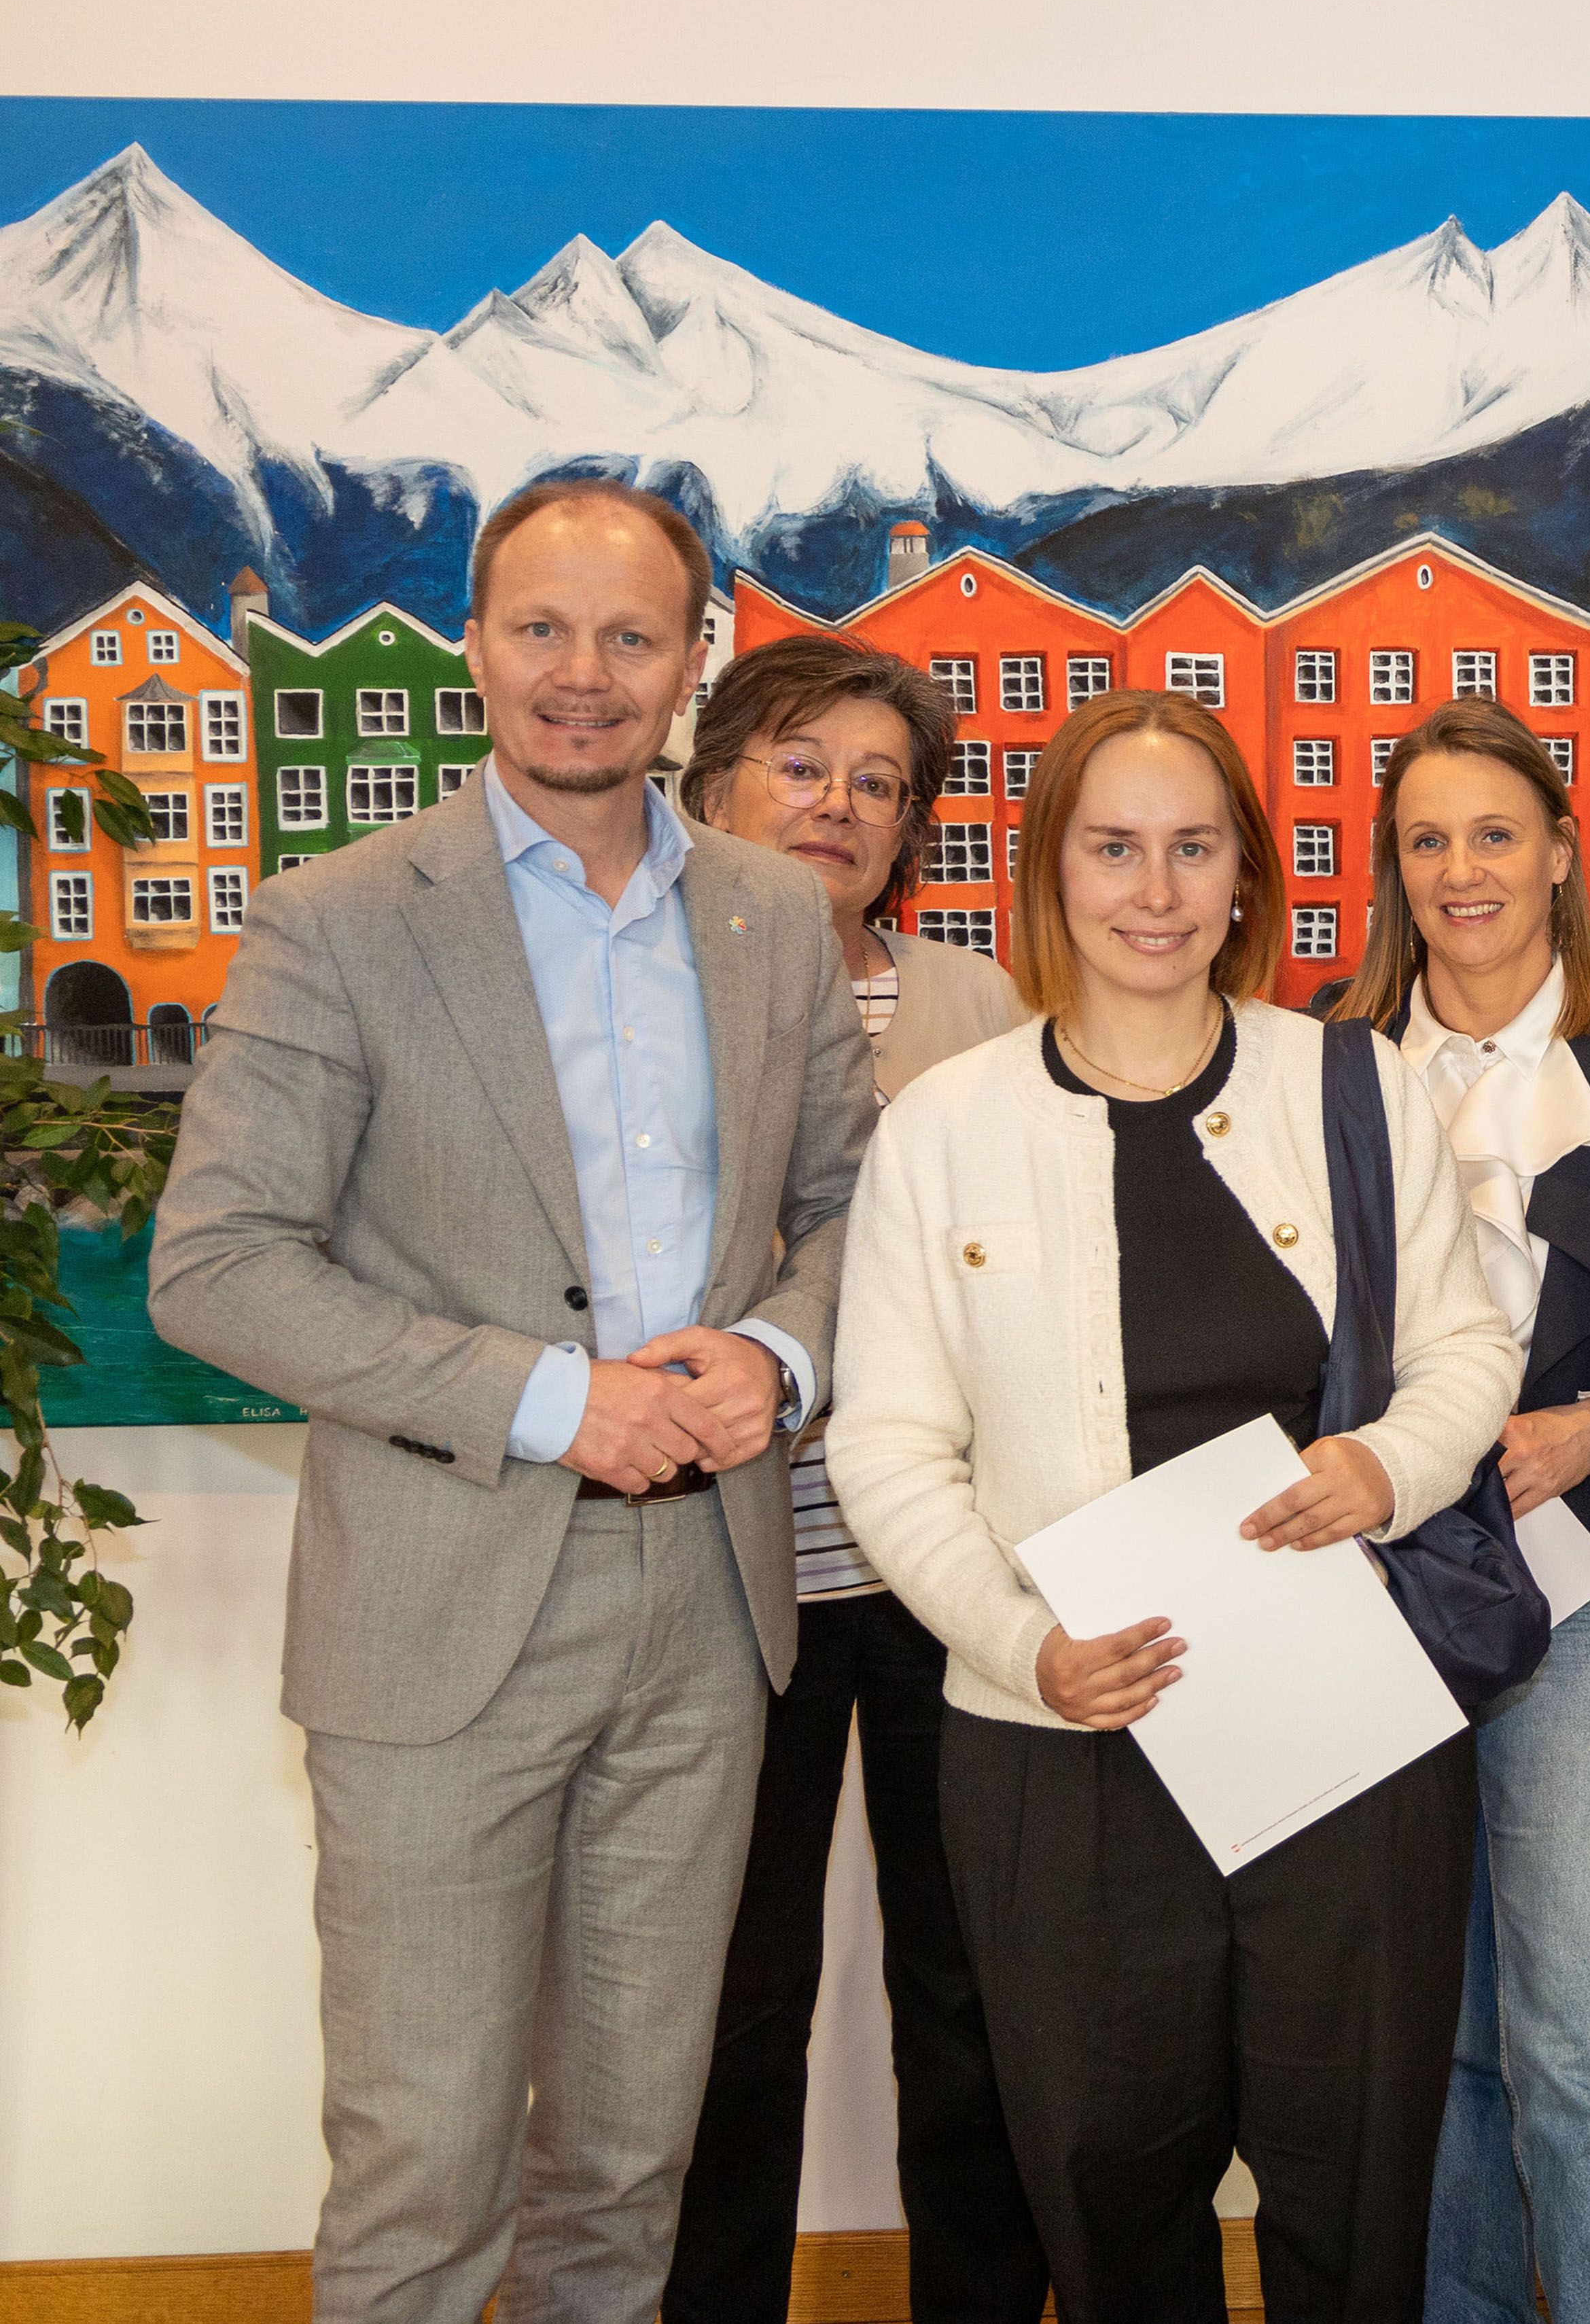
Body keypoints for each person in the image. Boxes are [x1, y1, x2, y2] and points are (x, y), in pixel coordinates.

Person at [148, 477, 873, 2324]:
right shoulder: (337, 920)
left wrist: (778, 1356)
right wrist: (555, 1400)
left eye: (631, 635)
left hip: (705, 1617)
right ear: (473, 643)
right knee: (424, 2167)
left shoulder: (774, 915)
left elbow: (854, 1210)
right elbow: (217, 1264)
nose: (582, 674)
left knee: (625, 2169)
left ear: (694, 666)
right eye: (540, 627)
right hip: (435, 1614)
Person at [824, 688, 1523, 2321]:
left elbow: (1466, 1345)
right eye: (1115, 847)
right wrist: (1021, 1640)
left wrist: (1384, 1466)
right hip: (1059, 1745)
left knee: (1353, 2176)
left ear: (1244, 874)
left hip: (1340, 1721)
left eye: (1192, 847)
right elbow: (889, 1448)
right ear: (1048, 872)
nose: (1154, 889)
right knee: (1105, 2186)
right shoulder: (943, 1127)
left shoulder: (1351, 1082)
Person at [1313, 698, 1590, 2324]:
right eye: (1427, 839)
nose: (1462, 869)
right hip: (1373, 1587)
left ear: (1566, 848)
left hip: (1586, 1587)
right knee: (1433, 2035)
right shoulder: (1323, 1063)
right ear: (1395, 869)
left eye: (1496, 832)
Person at [662, 634, 1043, 2324]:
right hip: (723, 1590)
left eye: (880, 782)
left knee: (969, 1995)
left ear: (914, 832)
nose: (838, 803)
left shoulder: (973, 1008)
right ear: (714, 778)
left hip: (942, 1583)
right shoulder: (635, 986)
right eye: (802, 761)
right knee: (728, 2006)